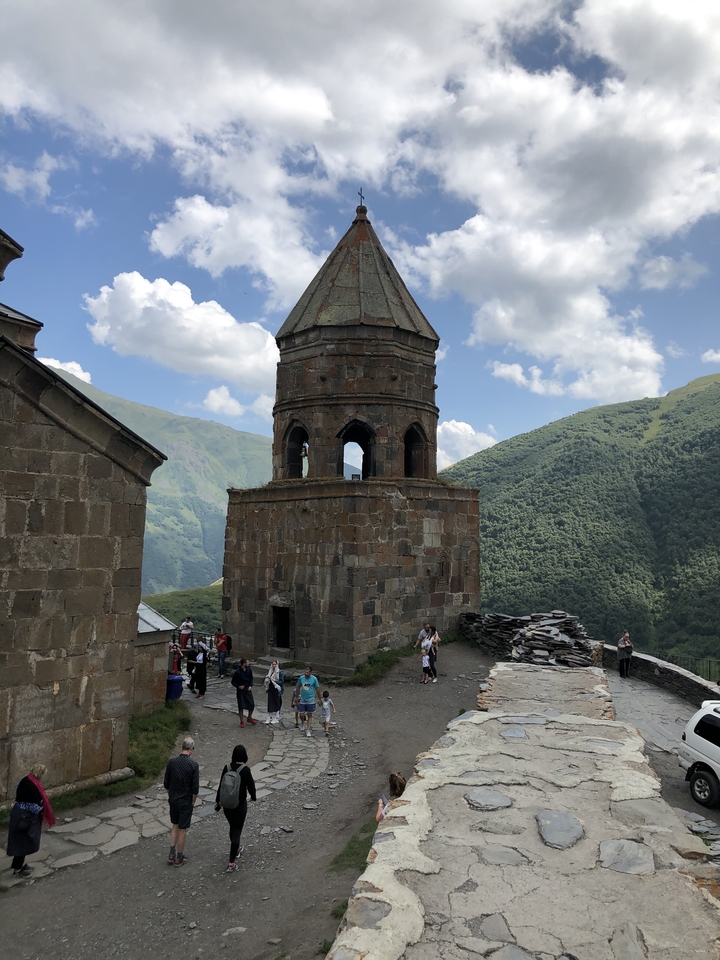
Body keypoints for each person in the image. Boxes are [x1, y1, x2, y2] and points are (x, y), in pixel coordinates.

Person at [6, 763, 55, 877]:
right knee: (23, 842)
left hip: (20, 814)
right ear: (40, 774)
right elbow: (35, 805)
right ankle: (17, 869)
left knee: (23, 841)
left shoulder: (27, 780)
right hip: (25, 817)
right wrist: (42, 808)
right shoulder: (32, 786)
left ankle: (19, 864)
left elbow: (17, 789)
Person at [214, 744, 257, 873]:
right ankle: (231, 861)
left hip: (227, 805)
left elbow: (221, 785)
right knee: (237, 830)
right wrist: (253, 797)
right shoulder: (245, 770)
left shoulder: (226, 768)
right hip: (240, 805)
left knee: (232, 827)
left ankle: (236, 847)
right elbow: (251, 786)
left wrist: (218, 801)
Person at [163, 736, 199, 867]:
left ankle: (171, 853)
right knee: (182, 829)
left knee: (175, 825)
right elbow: (195, 788)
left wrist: (170, 795)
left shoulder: (172, 762)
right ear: (191, 749)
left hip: (173, 799)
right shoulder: (193, 765)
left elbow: (166, 783)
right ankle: (179, 857)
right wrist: (193, 801)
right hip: (185, 801)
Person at [295, 664, 320, 737]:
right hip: (302, 699)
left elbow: (317, 688)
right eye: (305, 672)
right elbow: (298, 687)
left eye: (307, 672)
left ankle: (308, 730)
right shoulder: (301, 678)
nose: (306, 673)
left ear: (310, 673)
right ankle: (303, 722)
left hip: (311, 699)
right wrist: (297, 697)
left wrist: (319, 698)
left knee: (309, 715)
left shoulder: (314, 679)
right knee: (301, 714)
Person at [232, 658, 257, 727]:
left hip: (247, 689)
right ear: (243, 664)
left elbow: (251, 679)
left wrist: (250, 685)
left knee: (251, 704)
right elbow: (233, 682)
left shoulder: (249, 670)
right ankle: (241, 721)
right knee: (241, 706)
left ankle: (249, 717)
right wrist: (238, 686)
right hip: (240, 691)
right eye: (247, 662)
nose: (248, 663)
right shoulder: (237, 672)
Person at [264, 660, 284, 725]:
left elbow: (281, 682)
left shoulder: (280, 672)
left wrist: (275, 680)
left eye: (275, 664)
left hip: (277, 689)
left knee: (276, 702)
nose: (274, 666)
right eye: (273, 664)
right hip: (271, 689)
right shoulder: (270, 671)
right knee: (270, 702)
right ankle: (270, 716)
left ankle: (276, 717)